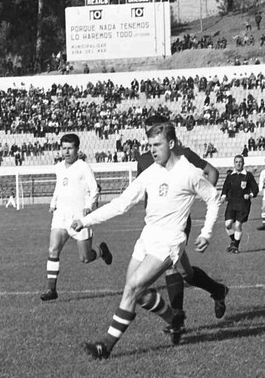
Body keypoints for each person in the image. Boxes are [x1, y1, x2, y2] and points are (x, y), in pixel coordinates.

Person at [72, 121, 221, 359]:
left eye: (157, 144)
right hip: (147, 237)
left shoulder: (189, 172)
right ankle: (174, 318)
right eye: (149, 144)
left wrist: (206, 232)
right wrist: (87, 220)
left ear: (171, 144)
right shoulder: (150, 172)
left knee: (132, 288)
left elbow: (213, 199)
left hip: (169, 241)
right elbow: (122, 204)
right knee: (137, 292)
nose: (152, 149)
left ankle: (106, 347)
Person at [137, 115, 230, 321]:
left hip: (177, 223)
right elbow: (143, 189)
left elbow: (210, 172)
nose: (151, 137)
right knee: (184, 272)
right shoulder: (144, 159)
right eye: (148, 133)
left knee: (170, 266)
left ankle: (176, 319)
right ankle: (218, 290)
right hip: (154, 225)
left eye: (155, 131)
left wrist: (198, 196)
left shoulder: (183, 155)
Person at [40, 133, 112, 302]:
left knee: (85, 258)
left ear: (77, 150)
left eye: (70, 148)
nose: (66, 152)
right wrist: (53, 202)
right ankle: (51, 289)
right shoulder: (58, 167)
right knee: (53, 249)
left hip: (79, 218)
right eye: (64, 148)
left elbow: (94, 189)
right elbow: (59, 187)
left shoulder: (83, 167)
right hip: (61, 216)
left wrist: (88, 207)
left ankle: (102, 251)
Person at [221, 155, 259, 254]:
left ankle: (235, 246)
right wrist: (223, 196)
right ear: (234, 163)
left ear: (243, 163)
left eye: (240, 162)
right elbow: (225, 188)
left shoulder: (248, 175)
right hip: (231, 203)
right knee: (227, 224)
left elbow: (255, 189)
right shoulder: (230, 176)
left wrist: (250, 195)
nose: (238, 163)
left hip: (243, 204)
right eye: (236, 162)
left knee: (238, 225)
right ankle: (234, 241)